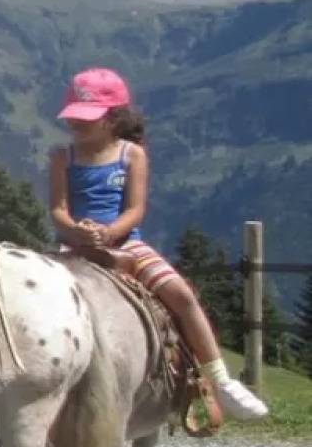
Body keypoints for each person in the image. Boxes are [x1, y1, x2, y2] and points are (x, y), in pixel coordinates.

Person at [49, 67, 268, 420]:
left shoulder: (131, 154)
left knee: (181, 295)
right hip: (73, 246)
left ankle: (219, 380)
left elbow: (135, 210)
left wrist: (110, 231)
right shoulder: (64, 157)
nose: (77, 123)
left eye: (88, 117)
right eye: (75, 116)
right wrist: (77, 230)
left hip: (126, 245)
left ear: (113, 118)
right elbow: (58, 210)